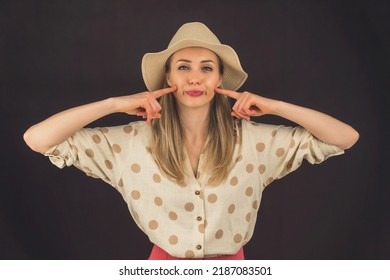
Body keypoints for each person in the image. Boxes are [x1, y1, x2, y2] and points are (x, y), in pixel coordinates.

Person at [23, 22, 359, 260]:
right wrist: (113, 104)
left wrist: (277, 107)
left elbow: (345, 138)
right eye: (183, 67)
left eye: (206, 68)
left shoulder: (256, 141)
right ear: (167, 76)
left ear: (219, 78)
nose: (195, 77)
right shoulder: (130, 142)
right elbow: (38, 139)